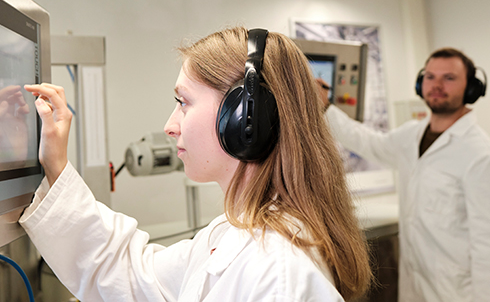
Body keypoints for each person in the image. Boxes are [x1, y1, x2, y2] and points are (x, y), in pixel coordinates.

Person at [19, 27, 371, 302]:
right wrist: (57, 165)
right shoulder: (233, 235)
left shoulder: (276, 274)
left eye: (183, 102)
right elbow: (132, 276)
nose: (170, 125)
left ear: (244, 118)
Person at [317, 47, 490, 302]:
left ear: (471, 88)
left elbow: (486, 242)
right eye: (430, 77)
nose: (437, 85)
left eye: (449, 78)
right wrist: (326, 107)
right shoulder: (412, 135)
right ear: (421, 83)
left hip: (456, 292)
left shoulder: (479, 153)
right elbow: (368, 142)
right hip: (415, 285)